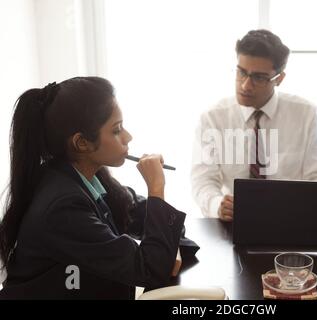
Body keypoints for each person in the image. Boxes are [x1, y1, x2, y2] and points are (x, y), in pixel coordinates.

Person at [0, 77, 186, 299]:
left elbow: (141, 214)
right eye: (117, 130)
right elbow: (149, 270)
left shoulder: (86, 177)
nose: (128, 137)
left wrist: (166, 243)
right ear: (82, 143)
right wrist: (156, 187)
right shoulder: (63, 206)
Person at [191, 29, 317, 220]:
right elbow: (203, 180)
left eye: (259, 78)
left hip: (289, 221)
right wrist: (217, 205)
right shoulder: (213, 117)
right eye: (242, 72)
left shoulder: (307, 115)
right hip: (231, 224)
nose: (245, 85)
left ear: (279, 79)